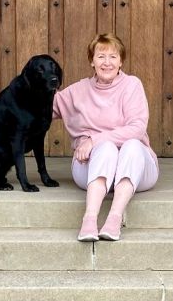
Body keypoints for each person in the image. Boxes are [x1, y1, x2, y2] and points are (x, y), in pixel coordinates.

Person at [53, 33, 159, 241]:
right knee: (107, 148)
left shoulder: (132, 85)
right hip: (91, 166)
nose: (107, 63)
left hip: (136, 167)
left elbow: (137, 128)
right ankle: (90, 220)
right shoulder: (78, 90)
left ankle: (114, 218)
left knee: (131, 144)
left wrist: (93, 140)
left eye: (113, 57)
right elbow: (39, 109)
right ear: (92, 61)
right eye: (101, 57)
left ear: (121, 61)